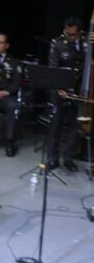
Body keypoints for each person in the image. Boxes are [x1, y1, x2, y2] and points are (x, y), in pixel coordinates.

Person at [48, 17, 89, 171]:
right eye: (67, 32)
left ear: (79, 33)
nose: (69, 37)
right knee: (55, 126)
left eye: (72, 34)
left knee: (74, 126)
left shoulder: (87, 41)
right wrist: (59, 89)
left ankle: (68, 157)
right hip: (61, 90)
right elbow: (53, 68)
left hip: (79, 91)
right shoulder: (57, 42)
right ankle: (53, 157)